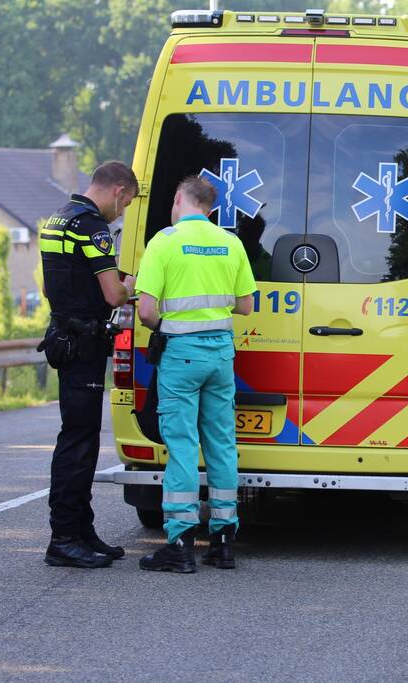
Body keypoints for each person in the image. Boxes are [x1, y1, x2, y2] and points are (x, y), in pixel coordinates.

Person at [136, 176, 256, 573]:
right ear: (210, 207)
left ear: (178, 200)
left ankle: (181, 542)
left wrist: (171, 323)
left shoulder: (164, 242)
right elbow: (245, 306)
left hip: (181, 356)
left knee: (183, 444)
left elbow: (147, 311)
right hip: (221, 354)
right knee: (222, 442)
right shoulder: (231, 243)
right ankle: (223, 541)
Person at [39, 161, 138, 568]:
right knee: (79, 441)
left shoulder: (56, 220)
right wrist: (132, 283)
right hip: (84, 343)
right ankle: (63, 538)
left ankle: (82, 530)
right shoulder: (92, 226)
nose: (124, 212)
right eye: (127, 203)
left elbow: (48, 285)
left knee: (79, 436)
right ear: (117, 190)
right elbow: (114, 295)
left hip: (64, 335)